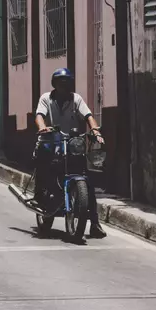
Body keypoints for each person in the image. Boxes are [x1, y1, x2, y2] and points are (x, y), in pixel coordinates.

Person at [33, 68, 107, 239]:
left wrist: (95, 131)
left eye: (66, 83)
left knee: (87, 181)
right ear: (55, 84)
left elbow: (88, 115)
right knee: (43, 166)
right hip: (50, 142)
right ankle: (40, 197)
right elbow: (39, 116)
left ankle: (95, 223)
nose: (63, 86)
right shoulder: (46, 98)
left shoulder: (76, 99)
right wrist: (42, 128)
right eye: (60, 83)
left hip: (72, 144)